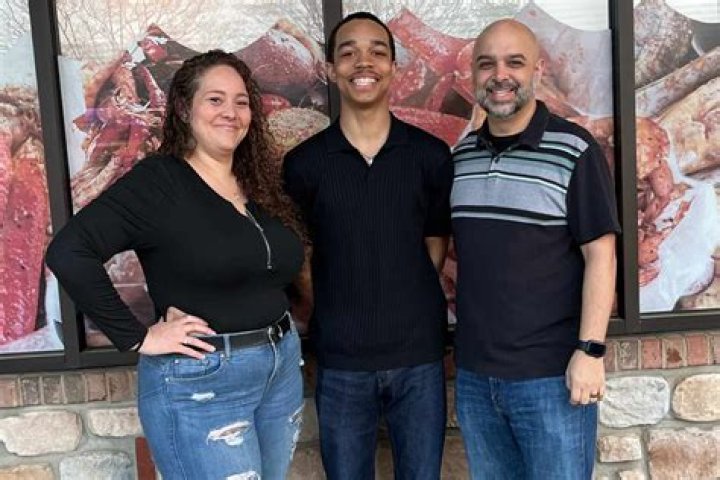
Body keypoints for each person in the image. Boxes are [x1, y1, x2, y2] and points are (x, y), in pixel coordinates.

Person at [46, 50, 305, 480]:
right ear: (185, 109)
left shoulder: (256, 183)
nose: (231, 112)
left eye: (241, 102)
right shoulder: (160, 182)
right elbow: (69, 251)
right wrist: (138, 337)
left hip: (279, 368)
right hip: (203, 380)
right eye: (215, 100)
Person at [283, 11, 453, 480]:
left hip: (419, 357)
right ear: (331, 69)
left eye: (378, 52)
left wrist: (401, 290)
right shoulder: (304, 164)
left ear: (393, 68)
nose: (364, 62)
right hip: (341, 360)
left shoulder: (430, 156)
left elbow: (435, 240)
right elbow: (300, 256)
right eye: (349, 52)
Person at [451, 19, 620, 479]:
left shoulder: (574, 150)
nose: (500, 75)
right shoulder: (462, 157)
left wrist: (591, 351)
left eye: (515, 62)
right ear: (473, 74)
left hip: (551, 378)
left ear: (538, 71)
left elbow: (601, 255)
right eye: (487, 64)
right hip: (475, 379)